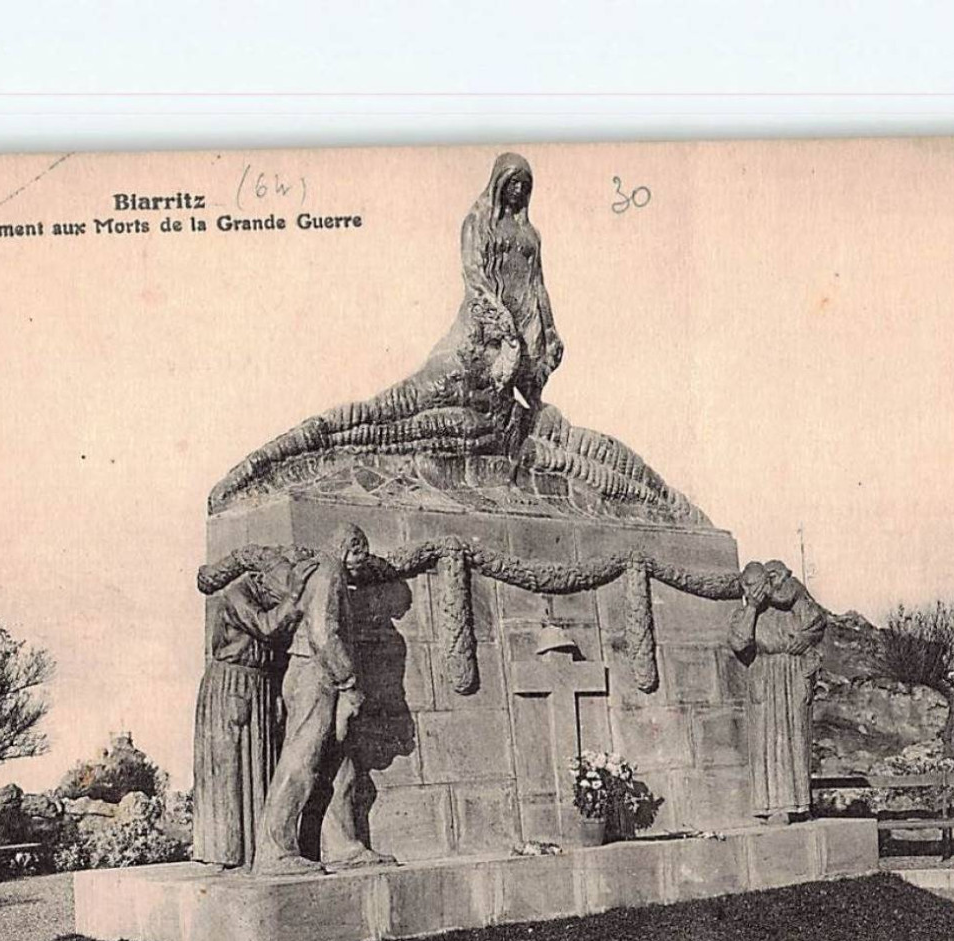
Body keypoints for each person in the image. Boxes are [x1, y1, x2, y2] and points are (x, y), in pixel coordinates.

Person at [208, 154, 703, 524]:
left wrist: (546, 333)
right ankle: (269, 463)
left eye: (524, 186)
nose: (517, 192)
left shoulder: (531, 236)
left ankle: (668, 506)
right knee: (389, 412)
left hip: (516, 351)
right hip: (476, 345)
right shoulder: (478, 223)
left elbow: (538, 285)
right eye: (512, 184)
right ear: (498, 184)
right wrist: (503, 330)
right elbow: (476, 278)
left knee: (558, 437)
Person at [253, 524, 397, 875]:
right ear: (351, 548)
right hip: (316, 675)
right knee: (302, 761)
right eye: (361, 554)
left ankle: (343, 846)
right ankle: (275, 852)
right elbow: (322, 631)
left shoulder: (322, 570)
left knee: (339, 764)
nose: (362, 564)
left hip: (316, 674)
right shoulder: (330, 571)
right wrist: (348, 682)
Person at [191, 556, 316, 866]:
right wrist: (295, 595)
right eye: (277, 593)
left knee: (259, 766)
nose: (279, 598)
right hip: (232, 682)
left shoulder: (264, 593)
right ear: (262, 580)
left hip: (258, 683)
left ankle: (253, 852)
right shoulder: (236, 595)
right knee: (231, 772)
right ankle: (227, 854)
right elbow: (267, 625)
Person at [727, 560, 827, 823]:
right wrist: (751, 608)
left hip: (793, 674)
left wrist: (805, 637)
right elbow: (739, 641)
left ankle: (800, 804)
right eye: (747, 586)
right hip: (765, 676)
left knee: (796, 737)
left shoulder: (791, 605)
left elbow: (817, 621)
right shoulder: (745, 614)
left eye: (758, 583)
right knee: (768, 743)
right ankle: (772, 807)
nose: (754, 590)